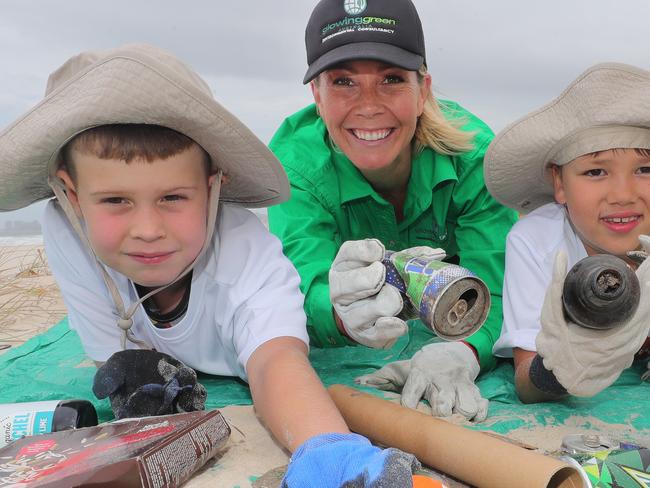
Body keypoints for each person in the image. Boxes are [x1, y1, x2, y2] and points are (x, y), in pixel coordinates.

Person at [0, 44, 422, 487]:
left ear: (214, 187)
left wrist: (328, 447)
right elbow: (113, 353)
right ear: (71, 197)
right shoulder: (66, 228)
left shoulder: (245, 252)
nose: (147, 229)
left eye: (173, 198)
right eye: (115, 201)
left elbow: (275, 363)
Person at [268, 0, 517, 421]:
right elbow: (298, 290)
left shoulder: (474, 157)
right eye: (343, 81)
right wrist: (343, 316)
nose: (368, 106)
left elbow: (496, 287)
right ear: (317, 95)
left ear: (424, 91)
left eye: (391, 79)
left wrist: (463, 351)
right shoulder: (294, 166)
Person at [486, 62, 650, 404]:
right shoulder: (535, 240)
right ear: (559, 183)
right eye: (595, 171)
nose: (622, 194)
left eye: (645, 168)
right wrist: (558, 369)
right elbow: (526, 379)